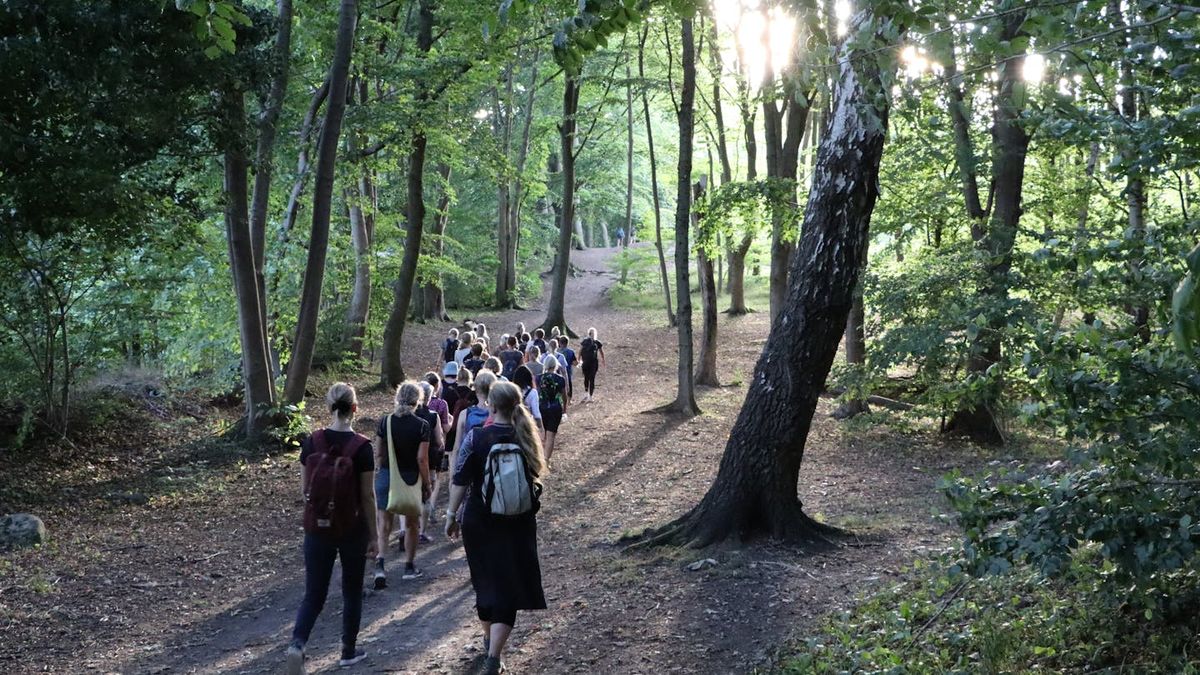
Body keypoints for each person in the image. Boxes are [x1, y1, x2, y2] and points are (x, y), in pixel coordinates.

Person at [446, 381, 548, 675]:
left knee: (484, 581)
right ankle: (494, 655)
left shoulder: (476, 437)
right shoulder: (525, 436)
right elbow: (536, 473)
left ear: (490, 405)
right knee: (509, 586)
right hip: (518, 521)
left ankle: (489, 645)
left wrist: (452, 515)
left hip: (479, 519)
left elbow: (460, 479)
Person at [286, 383, 378, 673]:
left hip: (317, 528)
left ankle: (297, 644)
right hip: (352, 528)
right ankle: (348, 651)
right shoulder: (362, 447)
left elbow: (305, 490)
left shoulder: (312, 442)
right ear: (355, 409)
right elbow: (367, 496)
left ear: (329, 407)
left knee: (314, 593)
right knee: (352, 590)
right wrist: (374, 537)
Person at [372, 382, 431, 587]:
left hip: (387, 477)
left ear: (397, 398)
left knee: (384, 524)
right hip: (410, 479)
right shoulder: (422, 425)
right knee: (411, 524)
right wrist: (427, 484)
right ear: (418, 401)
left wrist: (383, 470)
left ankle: (380, 565)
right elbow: (422, 459)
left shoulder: (384, 422)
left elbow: (378, 453)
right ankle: (408, 566)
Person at [415, 381, 447, 542]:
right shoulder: (433, 416)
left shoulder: (408, 415)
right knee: (426, 494)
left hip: (410, 459)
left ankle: (405, 530)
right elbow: (439, 441)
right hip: (431, 460)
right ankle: (422, 531)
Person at [538, 355, 568, 462]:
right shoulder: (560, 379)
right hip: (555, 408)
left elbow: (536, 394)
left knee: (542, 434)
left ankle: (540, 458)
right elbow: (564, 396)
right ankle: (546, 459)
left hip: (541, 407)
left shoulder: (538, 378)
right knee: (551, 435)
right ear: (555, 365)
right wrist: (565, 408)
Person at [512, 365, 544, 434]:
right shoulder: (532, 392)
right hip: (527, 424)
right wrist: (541, 428)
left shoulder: (512, 390)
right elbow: (536, 413)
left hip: (513, 424)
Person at [579, 327, 605, 402]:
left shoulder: (597, 343)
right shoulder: (585, 342)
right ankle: (586, 393)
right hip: (586, 362)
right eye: (591, 333)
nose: (592, 335)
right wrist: (579, 359)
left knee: (592, 378)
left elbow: (601, 352)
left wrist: (603, 360)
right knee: (586, 378)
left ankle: (590, 396)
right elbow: (580, 350)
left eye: (593, 334)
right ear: (589, 334)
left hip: (594, 362)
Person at [558, 336, 577, 402]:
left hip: (557, 372)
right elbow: (575, 362)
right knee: (569, 384)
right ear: (567, 343)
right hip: (567, 371)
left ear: (559, 343)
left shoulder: (557, 351)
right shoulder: (571, 352)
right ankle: (569, 399)